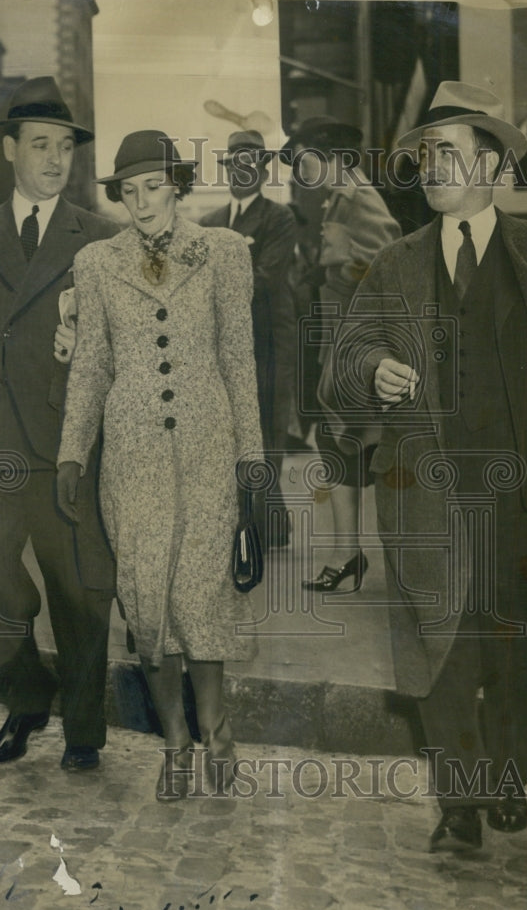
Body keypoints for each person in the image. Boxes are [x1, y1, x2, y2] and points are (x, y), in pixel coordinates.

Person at [322, 82, 527, 851]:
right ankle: (457, 802)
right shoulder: (394, 264)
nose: (429, 167)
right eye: (423, 155)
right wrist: (373, 367)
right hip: (424, 488)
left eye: (445, 152)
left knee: (503, 637)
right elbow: (340, 364)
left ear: (489, 164)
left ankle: (506, 780)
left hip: (519, 492)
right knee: (438, 642)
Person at [55, 129, 263, 801]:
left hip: (208, 448)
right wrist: (72, 451)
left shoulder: (224, 252)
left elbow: (239, 359)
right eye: (128, 190)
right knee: (149, 605)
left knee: (200, 597)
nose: (141, 201)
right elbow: (91, 365)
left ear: (177, 185)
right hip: (133, 456)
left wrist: (252, 457)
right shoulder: (95, 263)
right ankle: (174, 742)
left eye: (152, 186)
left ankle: (216, 729)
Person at [0, 77, 120, 771]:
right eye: (40, 144)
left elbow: (120, 339)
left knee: (80, 589)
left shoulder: (98, 236)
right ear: (10, 149)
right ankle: (30, 695)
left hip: (68, 438)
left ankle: (83, 730)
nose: (55, 159)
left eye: (65, 146)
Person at [278, 116, 401, 593]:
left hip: (361, 346)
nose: (302, 173)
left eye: (306, 162)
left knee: (360, 444)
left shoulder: (359, 198)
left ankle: (366, 556)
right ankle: (349, 553)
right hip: (343, 341)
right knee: (339, 443)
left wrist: (340, 267)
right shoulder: (339, 197)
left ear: (333, 157)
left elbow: (389, 268)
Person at [199, 130, 297, 549]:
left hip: (270, 342)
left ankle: (260, 525)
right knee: (232, 431)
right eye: (233, 166)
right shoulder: (209, 222)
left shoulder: (279, 218)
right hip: (225, 345)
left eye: (250, 166)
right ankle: (263, 523)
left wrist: (212, 286)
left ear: (262, 171)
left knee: (267, 431)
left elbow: (265, 278)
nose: (241, 174)